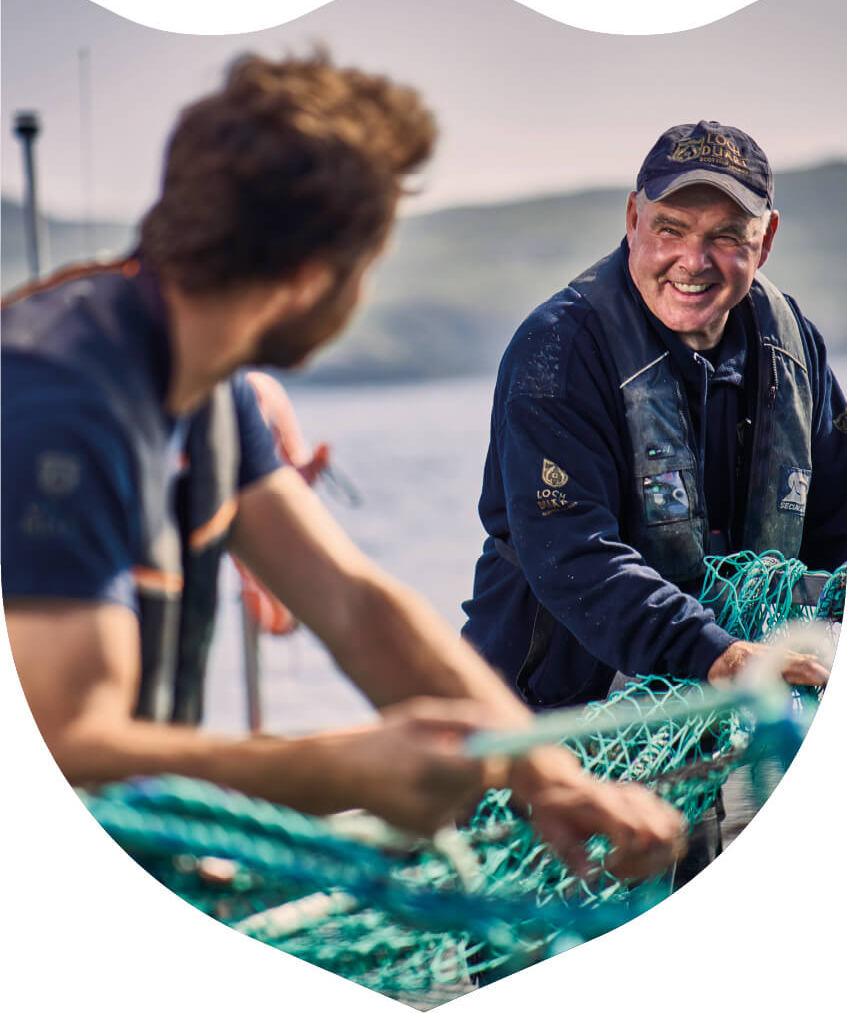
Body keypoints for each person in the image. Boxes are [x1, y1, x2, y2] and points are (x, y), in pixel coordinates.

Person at [1, 52, 686, 882]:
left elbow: (353, 603)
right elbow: (64, 745)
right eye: (366, 268)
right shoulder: (62, 404)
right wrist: (344, 771)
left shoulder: (201, 382)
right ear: (306, 277)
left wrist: (541, 773)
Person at [462, 120, 843, 880]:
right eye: (670, 228)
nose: (692, 262)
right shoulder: (556, 349)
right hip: (555, 727)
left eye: (725, 236)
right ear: (632, 220)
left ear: (763, 242)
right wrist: (717, 652)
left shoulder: (791, 341)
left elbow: (833, 515)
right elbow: (571, 554)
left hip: (709, 733)